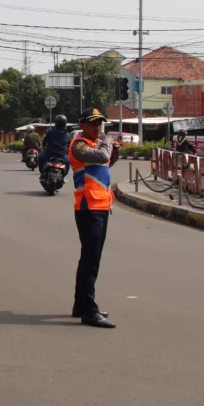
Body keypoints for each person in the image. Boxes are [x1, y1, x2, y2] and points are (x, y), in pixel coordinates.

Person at [69, 108, 119, 329]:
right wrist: (108, 144)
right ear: (82, 125)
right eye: (93, 123)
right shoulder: (79, 145)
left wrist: (112, 151)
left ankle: (81, 304)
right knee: (91, 261)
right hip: (89, 207)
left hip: (100, 206)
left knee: (89, 258)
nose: (98, 127)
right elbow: (102, 156)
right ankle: (89, 311)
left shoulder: (94, 144)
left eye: (101, 123)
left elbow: (104, 163)